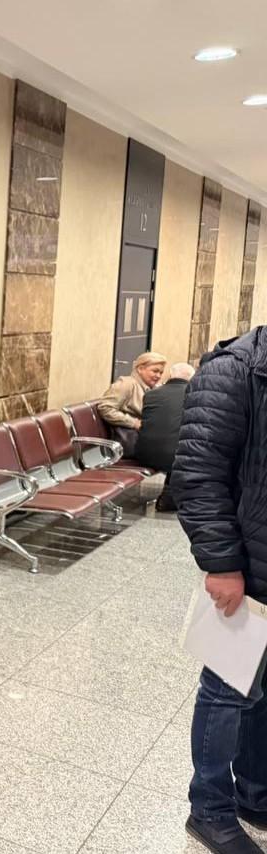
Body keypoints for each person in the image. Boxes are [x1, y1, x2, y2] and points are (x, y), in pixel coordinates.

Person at [171, 326, 267, 854]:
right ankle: (209, 808)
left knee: (264, 689)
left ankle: (255, 793)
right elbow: (197, 472)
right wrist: (223, 564)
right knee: (228, 688)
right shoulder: (236, 369)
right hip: (246, 567)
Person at [134, 362, 195, 512]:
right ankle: (172, 498)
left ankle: (170, 495)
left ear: (170, 375)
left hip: (145, 454)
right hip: (176, 456)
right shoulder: (195, 395)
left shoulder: (151, 394)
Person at [96, 352, 167, 457]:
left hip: (144, 440)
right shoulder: (126, 384)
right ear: (140, 369)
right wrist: (133, 422)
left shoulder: (151, 389)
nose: (158, 376)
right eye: (155, 371)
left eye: (161, 373)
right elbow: (105, 408)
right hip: (131, 443)